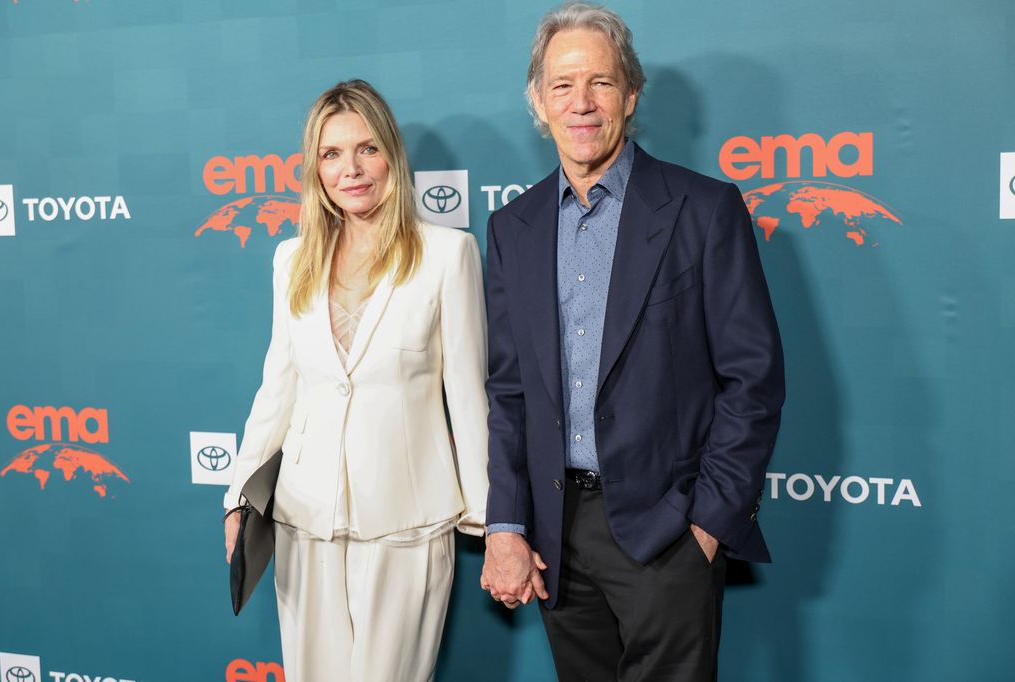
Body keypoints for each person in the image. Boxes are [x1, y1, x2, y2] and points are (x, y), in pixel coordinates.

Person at [480, 3, 785, 680]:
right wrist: (505, 523)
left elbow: (752, 378)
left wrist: (707, 524)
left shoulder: (704, 209)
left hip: (667, 528)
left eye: (601, 82)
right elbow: (507, 392)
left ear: (632, 92)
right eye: (562, 85)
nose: (581, 103)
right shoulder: (512, 227)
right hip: (557, 534)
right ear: (538, 100)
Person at [222, 80, 489, 682]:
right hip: (301, 520)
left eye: (367, 149)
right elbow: (277, 389)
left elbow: (470, 397)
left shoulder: (448, 254)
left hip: (407, 524)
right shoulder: (291, 259)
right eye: (332, 154)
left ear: (391, 154)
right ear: (315, 169)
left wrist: (488, 519)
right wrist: (237, 496)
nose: (352, 169)